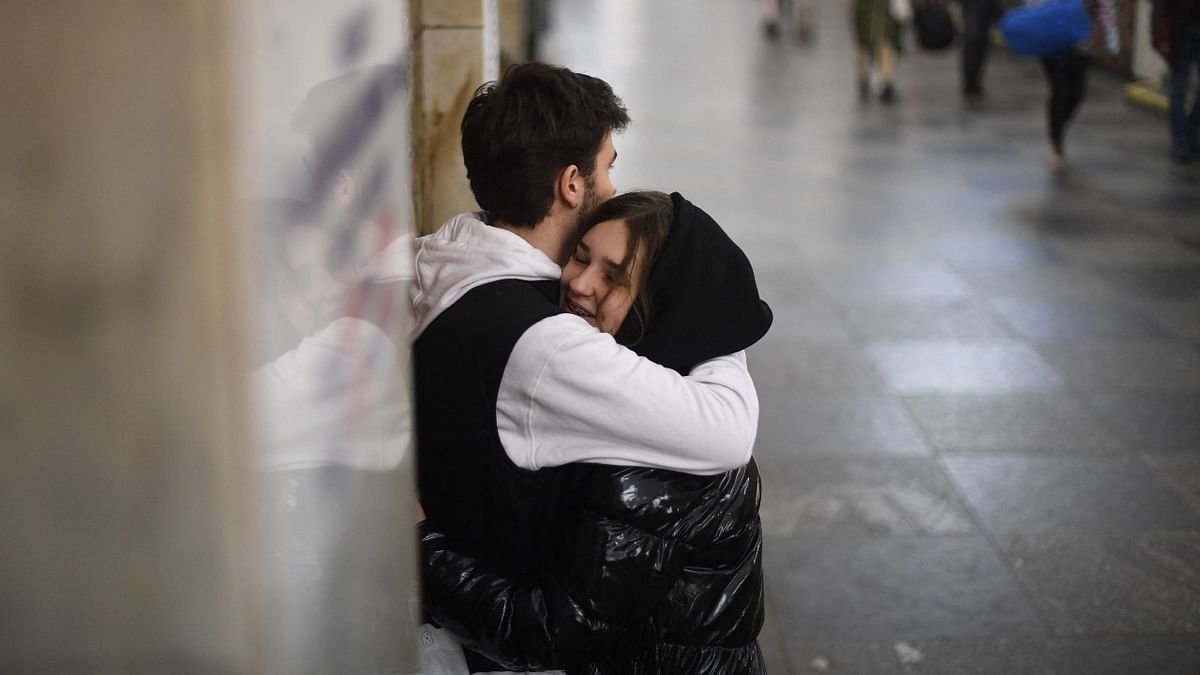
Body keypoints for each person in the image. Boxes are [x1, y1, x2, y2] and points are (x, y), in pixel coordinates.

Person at [411, 63, 761, 672]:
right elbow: (726, 428)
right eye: (607, 164)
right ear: (572, 184)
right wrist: (711, 316)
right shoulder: (551, 346)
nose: (611, 180)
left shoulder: (445, 257)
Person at [1036, 0, 1120, 173]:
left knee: (1076, 93)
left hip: (1078, 46)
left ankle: (1057, 127)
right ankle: (1056, 146)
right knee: (1060, 91)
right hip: (1051, 43)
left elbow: (1106, 12)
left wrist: (1112, 46)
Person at [1152, 0, 1200, 164]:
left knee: (1179, 88)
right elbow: (1161, 8)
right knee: (1179, 88)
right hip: (1181, 34)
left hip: (1187, 30)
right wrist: (1163, 39)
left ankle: (1189, 132)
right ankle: (1180, 141)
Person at [853, 0, 904, 102]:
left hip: (878, 9)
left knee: (882, 43)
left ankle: (883, 80)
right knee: (868, 42)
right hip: (871, 9)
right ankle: (877, 79)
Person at [960, 0, 1002, 99]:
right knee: (974, 43)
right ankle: (971, 81)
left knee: (979, 46)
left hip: (983, 11)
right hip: (977, 11)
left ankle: (973, 80)